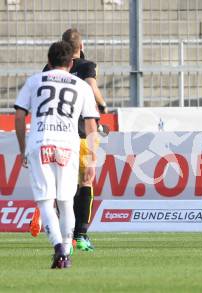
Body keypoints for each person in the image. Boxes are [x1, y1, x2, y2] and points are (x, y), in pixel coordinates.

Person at [15, 41, 99, 268]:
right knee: (65, 201)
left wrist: (23, 148)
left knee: (46, 202)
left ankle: (59, 249)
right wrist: (92, 159)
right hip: (68, 146)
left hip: (40, 142)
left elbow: (20, 116)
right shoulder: (81, 86)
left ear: (48, 61)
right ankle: (67, 247)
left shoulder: (34, 82)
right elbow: (91, 124)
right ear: (71, 63)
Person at [30, 28, 108, 252]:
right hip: (82, 135)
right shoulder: (86, 66)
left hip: (56, 135)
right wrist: (102, 106)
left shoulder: (49, 69)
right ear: (81, 47)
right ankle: (80, 236)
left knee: (61, 185)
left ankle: (55, 227)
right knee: (85, 182)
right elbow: (92, 88)